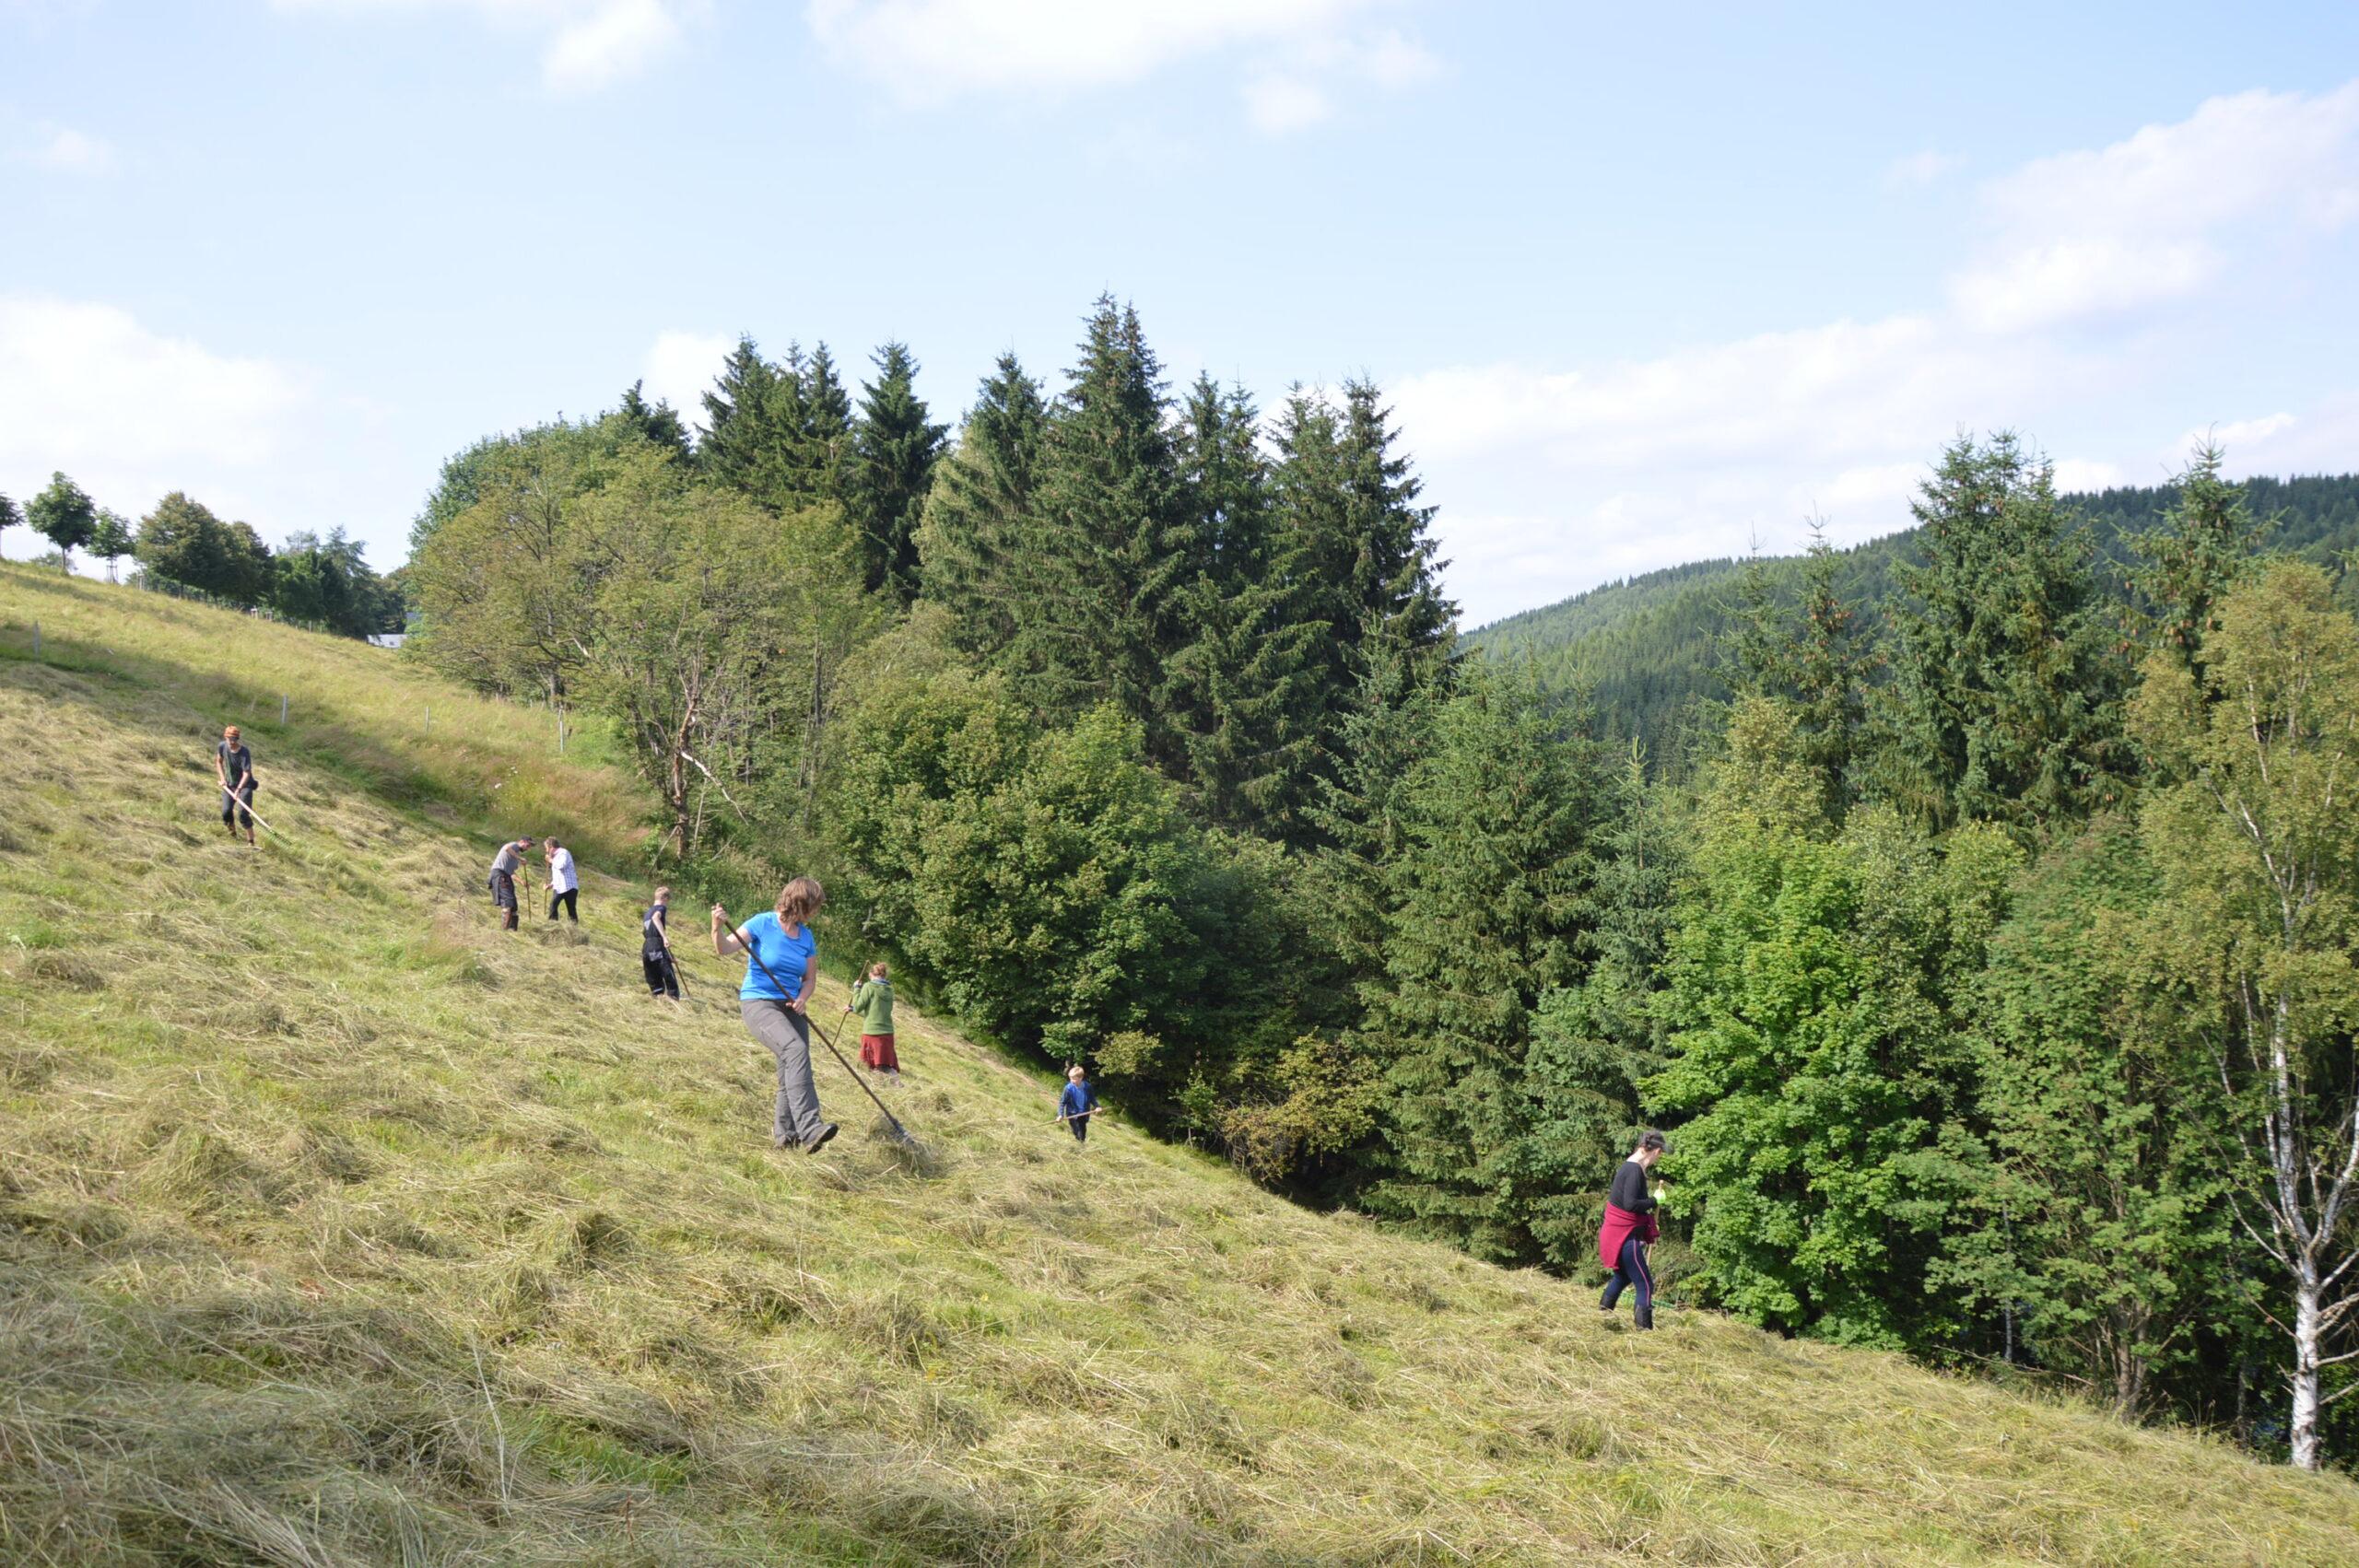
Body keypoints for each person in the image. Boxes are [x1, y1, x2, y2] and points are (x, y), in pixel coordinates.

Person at [714, 877, 838, 1154]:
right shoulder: (762, 923)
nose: (817, 912)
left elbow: (809, 979)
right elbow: (724, 948)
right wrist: (716, 927)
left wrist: (803, 998)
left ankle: (786, 1138)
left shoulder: (806, 936)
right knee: (794, 1050)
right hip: (759, 1003)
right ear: (801, 903)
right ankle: (810, 1128)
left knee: (791, 1067)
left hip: (791, 1006)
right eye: (814, 906)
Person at [1598, 1131, 1667, 1329]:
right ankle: (1644, 1330)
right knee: (1645, 1285)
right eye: (1660, 1154)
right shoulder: (1634, 1170)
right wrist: (1655, 1201)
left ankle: (1602, 1315)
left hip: (1618, 1234)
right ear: (1656, 1151)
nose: (1659, 1158)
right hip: (1624, 1238)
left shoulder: (1630, 1166)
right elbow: (1630, 1204)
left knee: (1622, 1276)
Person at [849, 962, 899, 1081]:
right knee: (884, 1065)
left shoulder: (868, 986)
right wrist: (852, 1009)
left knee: (868, 1065)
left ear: (871, 974)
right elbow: (875, 1011)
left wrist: (856, 989)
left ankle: (893, 1083)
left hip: (872, 1032)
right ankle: (891, 1082)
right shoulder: (890, 990)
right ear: (884, 975)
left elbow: (858, 1006)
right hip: (887, 1032)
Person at [215, 725, 257, 846]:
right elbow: (218, 761)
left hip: (245, 785)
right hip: (229, 784)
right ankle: (232, 835)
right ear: (225, 737)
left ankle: (251, 842)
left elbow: (247, 773)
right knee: (226, 812)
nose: (232, 742)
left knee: (243, 813)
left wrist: (239, 789)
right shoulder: (222, 746)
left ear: (237, 739)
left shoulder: (244, 752)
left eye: (234, 739)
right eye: (230, 739)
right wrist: (223, 779)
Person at [641, 885, 679, 999]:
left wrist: (669, 955)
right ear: (665, 898)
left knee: (652, 971)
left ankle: (657, 994)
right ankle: (673, 997)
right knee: (666, 970)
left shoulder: (647, 912)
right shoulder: (661, 908)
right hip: (656, 944)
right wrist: (665, 937)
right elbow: (655, 918)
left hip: (646, 946)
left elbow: (645, 930)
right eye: (668, 900)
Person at [487, 837, 530, 932]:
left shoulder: (515, 856)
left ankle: (513, 932)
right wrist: (520, 858)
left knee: (513, 906)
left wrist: (522, 881)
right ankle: (504, 932)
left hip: (506, 876)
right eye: (528, 845)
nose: (528, 848)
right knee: (508, 903)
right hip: (499, 875)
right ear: (522, 841)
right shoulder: (514, 845)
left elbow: (511, 873)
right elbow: (506, 847)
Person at [1058, 1064, 1098, 1143]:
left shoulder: (1087, 1087)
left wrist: (1097, 1106)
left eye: (1074, 1079)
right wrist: (1060, 1115)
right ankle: (1079, 1142)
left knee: (1082, 1133)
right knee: (1076, 1131)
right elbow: (1062, 1102)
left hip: (1083, 1113)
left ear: (1081, 1078)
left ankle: (1081, 1144)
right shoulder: (1068, 1088)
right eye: (1070, 1078)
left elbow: (1092, 1099)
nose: (1071, 1080)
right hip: (1072, 1114)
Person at [544, 836, 579, 923]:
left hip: (569, 887)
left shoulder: (564, 853)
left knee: (571, 910)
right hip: (559, 887)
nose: (546, 851)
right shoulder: (555, 857)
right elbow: (557, 875)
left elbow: (561, 866)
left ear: (551, 847)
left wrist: (551, 860)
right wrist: (551, 885)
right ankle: (553, 925)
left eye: (546, 848)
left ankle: (573, 929)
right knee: (553, 906)